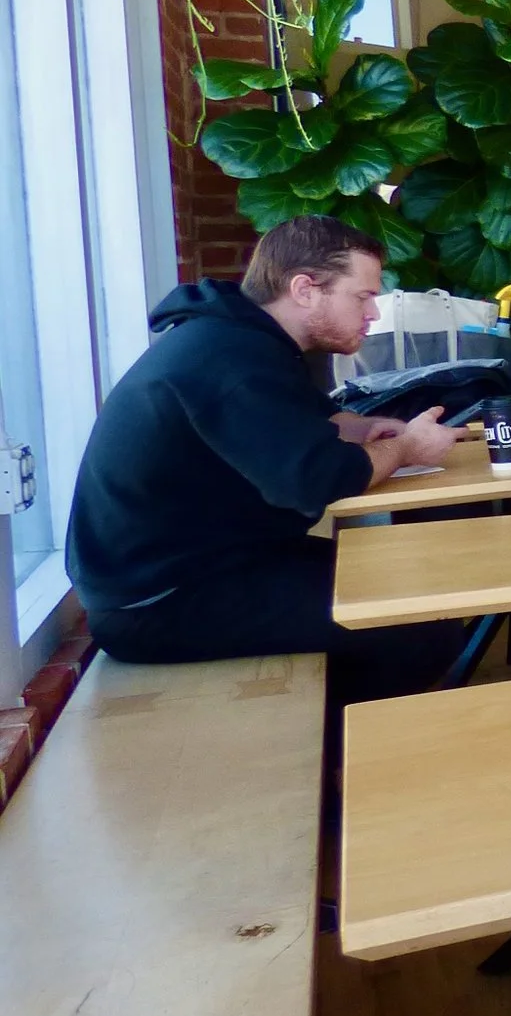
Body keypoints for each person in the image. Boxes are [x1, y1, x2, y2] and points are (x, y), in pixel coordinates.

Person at [66, 215, 469, 703]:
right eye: (362, 296)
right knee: (414, 624)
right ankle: (342, 763)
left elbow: (292, 418)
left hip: (210, 563)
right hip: (160, 600)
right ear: (305, 289)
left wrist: (356, 426)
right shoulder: (230, 357)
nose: (373, 314)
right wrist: (407, 448)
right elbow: (318, 481)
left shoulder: (236, 339)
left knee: (398, 574)